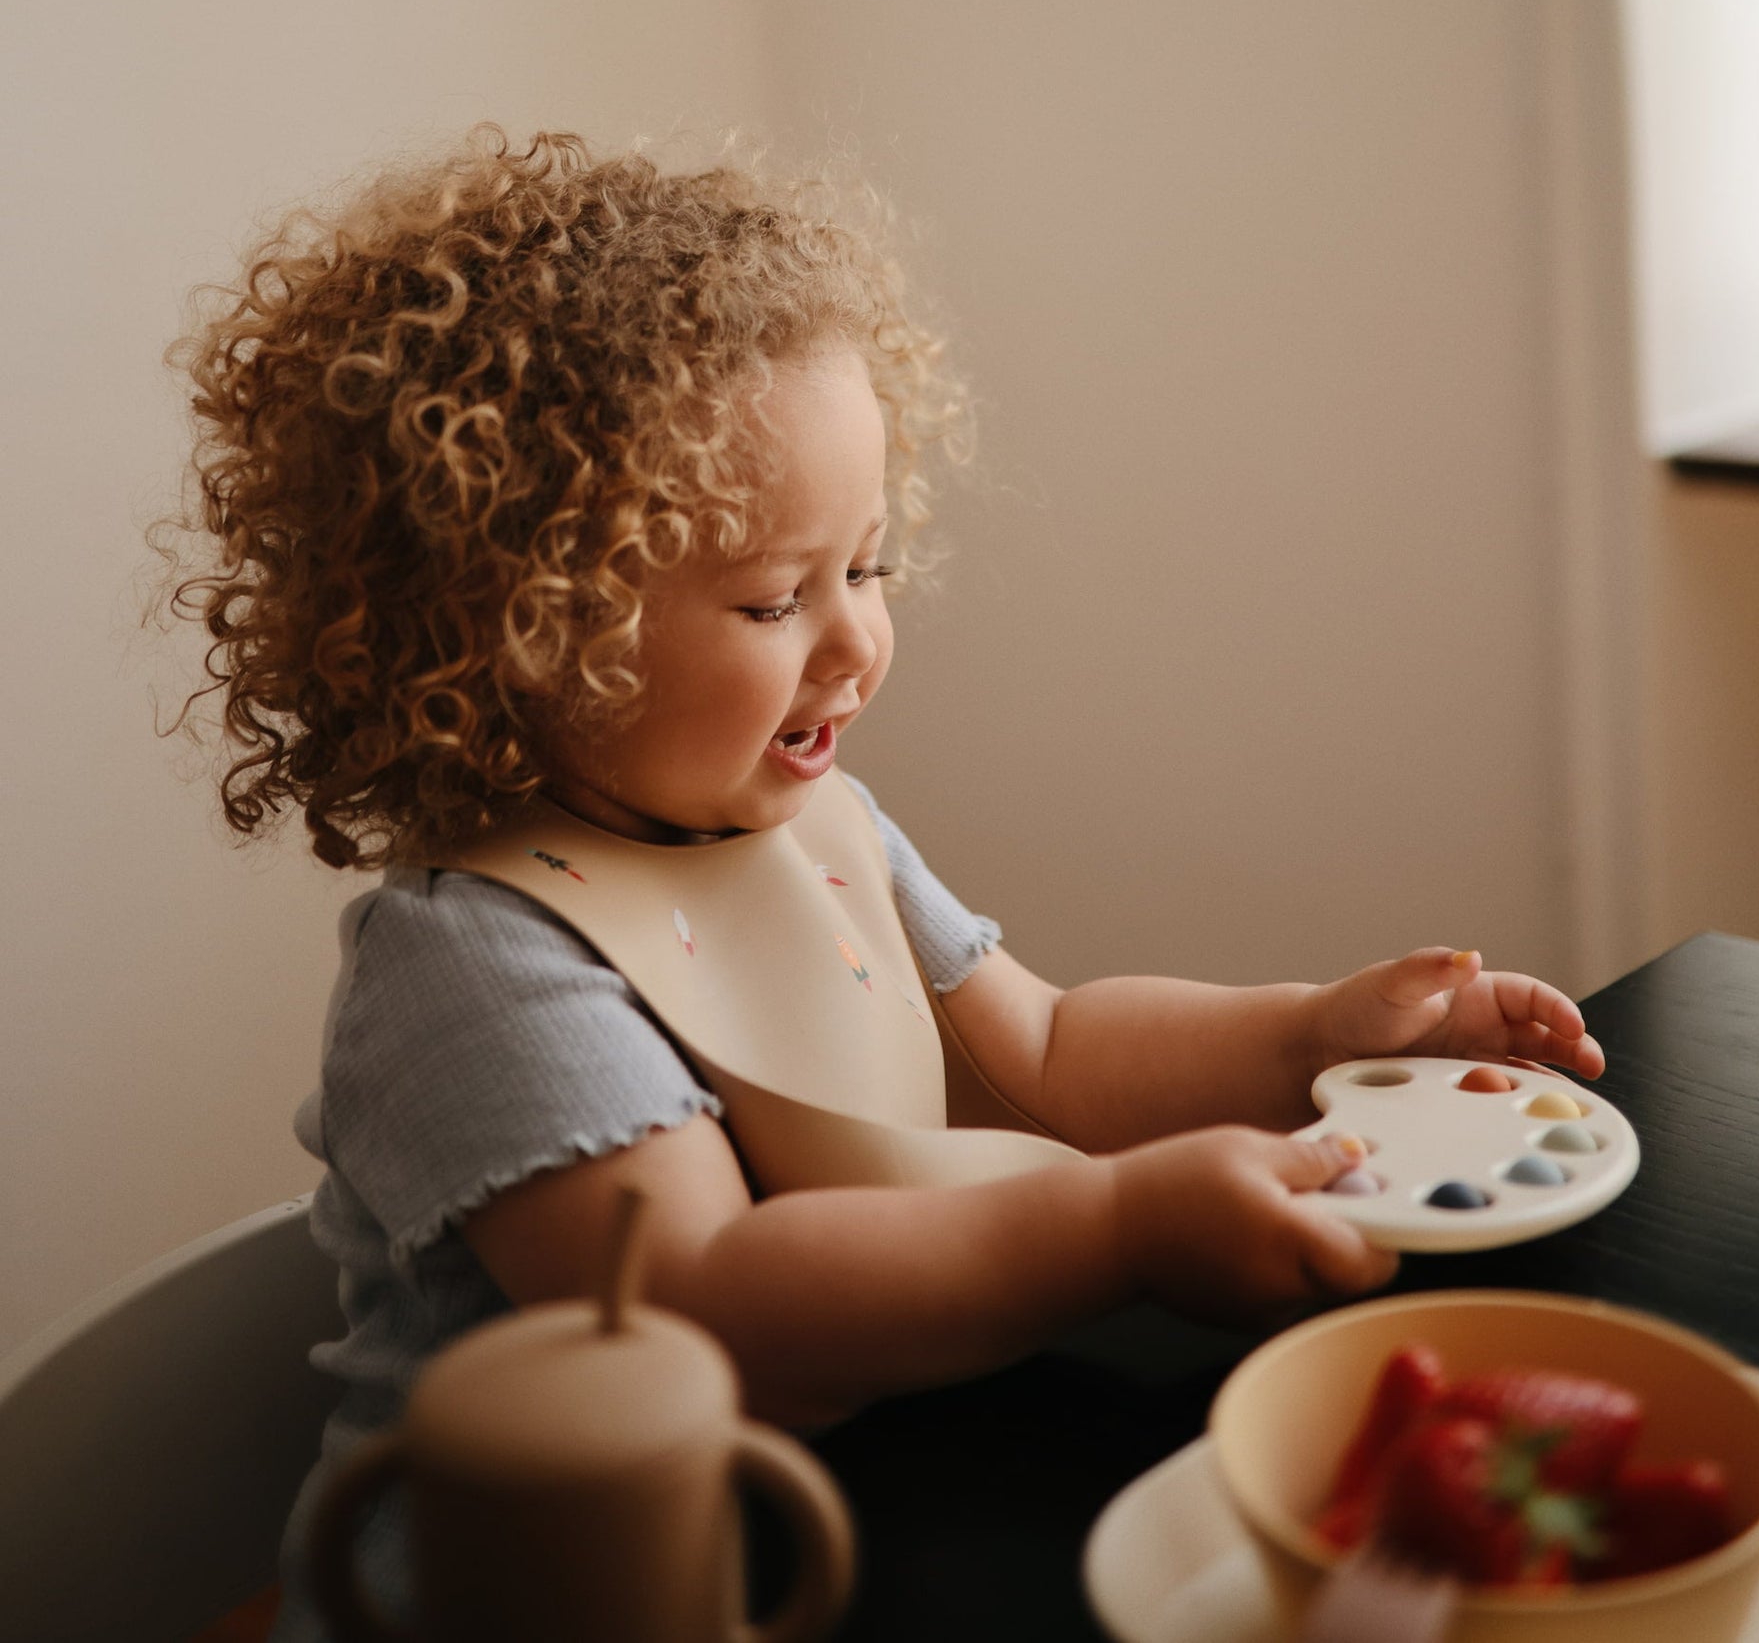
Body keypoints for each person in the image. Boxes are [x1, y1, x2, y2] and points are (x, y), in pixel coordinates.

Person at [164, 130, 1602, 1637]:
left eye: (867, 565)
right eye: (776, 596)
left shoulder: (810, 823)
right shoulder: (473, 961)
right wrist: (1116, 1231)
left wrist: (1312, 1040)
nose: (853, 641)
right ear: (527, 625)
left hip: (862, 1506)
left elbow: (1044, 1054)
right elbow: (713, 1302)